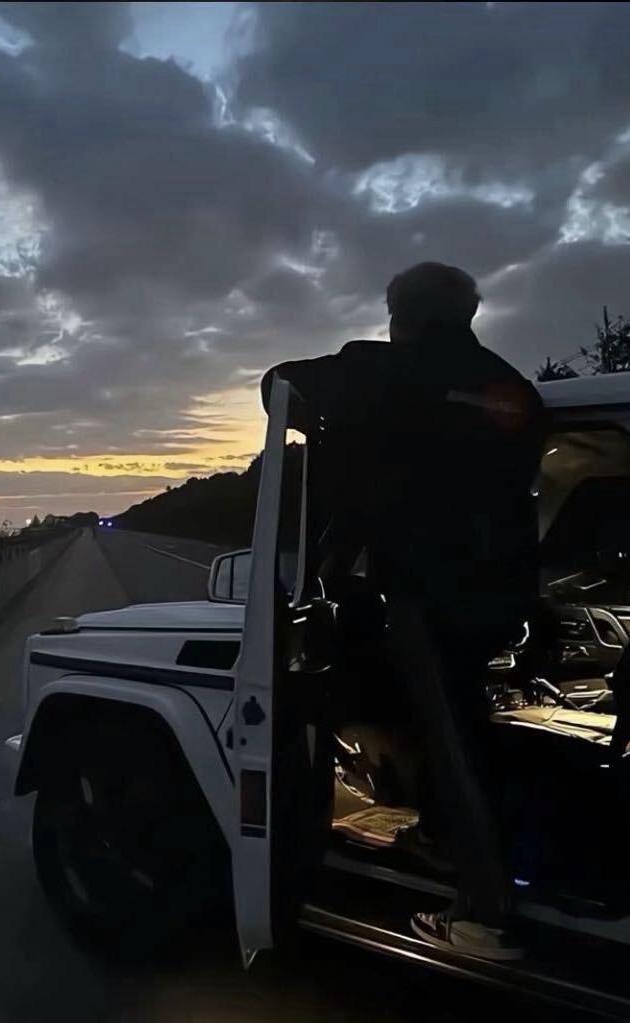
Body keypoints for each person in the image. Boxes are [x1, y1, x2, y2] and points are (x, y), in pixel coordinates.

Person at [261, 262, 545, 961]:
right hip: (506, 595)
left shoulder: (376, 370)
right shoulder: (516, 390)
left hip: (427, 593)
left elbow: (276, 386)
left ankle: (486, 916)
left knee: (452, 742)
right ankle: (440, 837)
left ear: (400, 316)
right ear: (468, 314)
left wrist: (339, 439)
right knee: (466, 722)